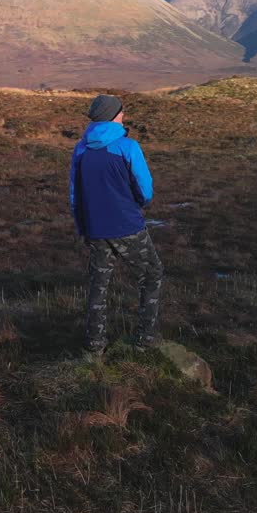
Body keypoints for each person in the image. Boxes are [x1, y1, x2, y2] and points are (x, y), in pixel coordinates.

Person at [69, 94, 164, 359]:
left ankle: (95, 346)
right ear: (114, 115)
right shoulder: (128, 147)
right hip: (127, 226)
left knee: (99, 284)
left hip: (95, 228)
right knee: (152, 274)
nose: (124, 115)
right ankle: (145, 340)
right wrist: (136, 204)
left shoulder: (80, 149)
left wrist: (83, 227)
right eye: (121, 112)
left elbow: (75, 194)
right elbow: (145, 190)